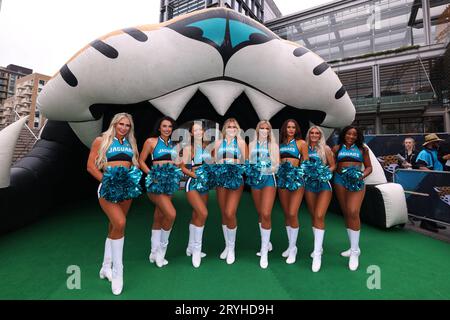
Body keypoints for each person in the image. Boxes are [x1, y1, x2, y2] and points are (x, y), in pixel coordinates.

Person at [87, 113, 141, 295]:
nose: (124, 128)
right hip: (107, 188)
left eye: (127, 125)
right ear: (114, 124)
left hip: (126, 189)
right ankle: (118, 272)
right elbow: (90, 166)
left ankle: (105, 267)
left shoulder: (131, 143)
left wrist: (132, 176)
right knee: (120, 223)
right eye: (121, 124)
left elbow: (135, 164)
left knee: (114, 227)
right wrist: (105, 180)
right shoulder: (101, 140)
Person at [139, 116, 182, 268]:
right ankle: (161, 253)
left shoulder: (175, 144)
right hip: (155, 182)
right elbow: (141, 161)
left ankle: (153, 251)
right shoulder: (151, 142)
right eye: (164, 126)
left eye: (170, 126)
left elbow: (178, 162)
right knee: (171, 214)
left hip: (169, 183)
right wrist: (151, 174)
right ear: (159, 128)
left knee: (159, 215)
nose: (167, 129)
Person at [332, 126, 372, 271]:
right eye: (349, 133)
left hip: (356, 181)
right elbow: (333, 165)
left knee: (353, 211)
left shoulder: (363, 149)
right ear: (344, 134)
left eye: (354, 134)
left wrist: (360, 176)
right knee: (347, 213)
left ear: (358, 136)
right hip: (339, 180)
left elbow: (368, 167)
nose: (351, 136)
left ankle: (355, 252)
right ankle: (352, 247)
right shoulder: (336, 148)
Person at [214, 118, 248, 265]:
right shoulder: (218, 143)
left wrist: (235, 167)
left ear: (238, 129)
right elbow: (214, 161)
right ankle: (227, 246)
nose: (232, 128)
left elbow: (247, 162)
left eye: (234, 126)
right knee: (223, 213)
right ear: (224, 128)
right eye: (229, 126)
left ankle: (232, 248)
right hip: (221, 179)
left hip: (235, 179)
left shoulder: (241, 143)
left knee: (230, 212)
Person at [180, 121, 213, 268]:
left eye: (201, 129)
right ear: (192, 133)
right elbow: (183, 168)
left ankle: (190, 246)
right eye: (196, 130)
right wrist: (195, 175)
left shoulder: (207, 147)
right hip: (192, 183)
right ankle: (197, 250)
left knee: (196, 215)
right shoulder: (189, 148)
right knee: (203, 213)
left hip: (204, 185)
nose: (199, 132)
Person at [247, 120, 279, 269]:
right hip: (255, 181)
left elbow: (276, 166)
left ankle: (264, 250)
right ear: (257, 130)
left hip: (268, 180)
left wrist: (263, 169)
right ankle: (267, 242)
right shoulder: (251, 145)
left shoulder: (274, 146)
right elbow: (248, 162)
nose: (264, 130)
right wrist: (252, 169)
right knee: (260, 212)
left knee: (266, 213)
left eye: (267, 128)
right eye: (262, 128)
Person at [303, 126, 336, 272]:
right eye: (312, 132)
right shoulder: (304, 148)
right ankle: (319, 246)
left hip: (323, 185)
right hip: (309, 185)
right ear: (308, 134)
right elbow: (303, 165)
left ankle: (317, 255)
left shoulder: (326, 148)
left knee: (319, 215)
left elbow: (333, 165)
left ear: (320, 135)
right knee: (313, 215)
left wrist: (324, 172)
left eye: (317, 133)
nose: (314, 135)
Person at [277, 119, 309, 264]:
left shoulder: (301, 143)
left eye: (293, 127)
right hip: (283, 180)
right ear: (285, 129)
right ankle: (290, 246)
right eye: (288, 127)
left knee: (292, 212)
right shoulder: (281, 144)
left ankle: (293, 248)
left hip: (296, 179)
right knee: (286, 213)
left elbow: (306, 162)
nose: (291, 129)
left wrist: (299, 174)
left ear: (296, 130)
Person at [416, 133, 446, 232]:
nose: (438, 143)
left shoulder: (434, 151)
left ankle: (432, 222)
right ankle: (425, 223)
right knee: (429, 202)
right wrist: (433, 174)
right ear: (431, 143)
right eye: (436, 142)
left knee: (434, 202)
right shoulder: (424, 153)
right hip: (429, 181)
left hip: (436, 180)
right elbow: (421, 166)